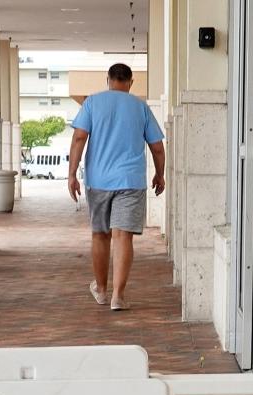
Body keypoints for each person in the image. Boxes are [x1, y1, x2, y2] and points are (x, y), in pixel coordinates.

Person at [67, 63, 166, 310]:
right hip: (130, 181)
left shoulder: (91, 103)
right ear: (131, 82)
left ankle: (101, 290)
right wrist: (160, 174)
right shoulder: (140, 107)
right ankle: (118, 296)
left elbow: (79, 137)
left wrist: (71, 174)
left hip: (98, 180)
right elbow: (157, 146)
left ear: (108, 80)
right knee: (123, 237)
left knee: (100, 235)